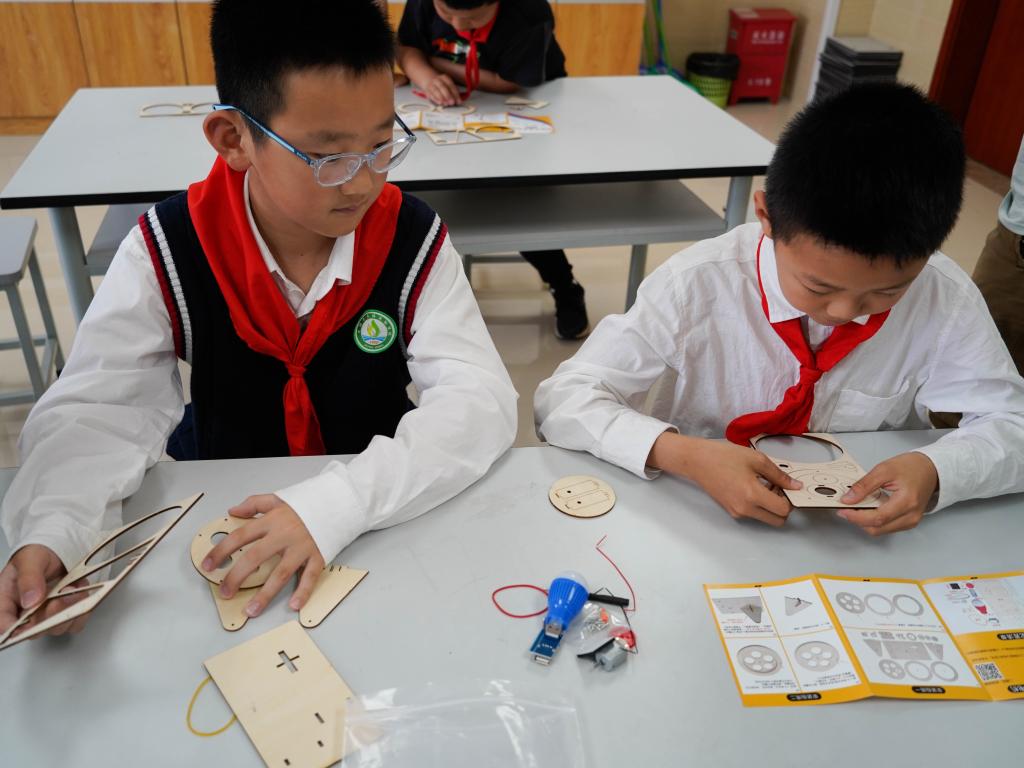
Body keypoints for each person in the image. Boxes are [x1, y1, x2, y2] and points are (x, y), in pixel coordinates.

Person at [0, 0, 517, 638]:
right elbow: (100, 408)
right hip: (224, 521)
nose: (363, 183)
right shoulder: (171, 246)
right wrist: (56, 529)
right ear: (233, 139)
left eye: (383, 145)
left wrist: (338, 504)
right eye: (328, 157)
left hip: (378, 513)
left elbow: (479, 400)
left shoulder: (411, 239)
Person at [535, 83, 1024, 536]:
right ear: (766, 216)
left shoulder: (941, 297)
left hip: (848, 537)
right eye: (818, 285)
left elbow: (1013, 426)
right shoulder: (697, 283)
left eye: (886, 293)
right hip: (697, 519)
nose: (844, 311)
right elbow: (563, 399)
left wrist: (936, 469)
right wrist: (683, 454)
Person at [396, 0, 589, 339]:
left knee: (521, 209)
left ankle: (564, 284)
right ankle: (415, 298)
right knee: (412, 202)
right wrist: (426, 76)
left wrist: (435, 64)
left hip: (523, 111)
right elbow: (407, 47)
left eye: (471, 19)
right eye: (446, 15)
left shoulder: (529, 12)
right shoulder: (426, 2)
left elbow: (509, 83)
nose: (457, 26)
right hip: (446, 112)